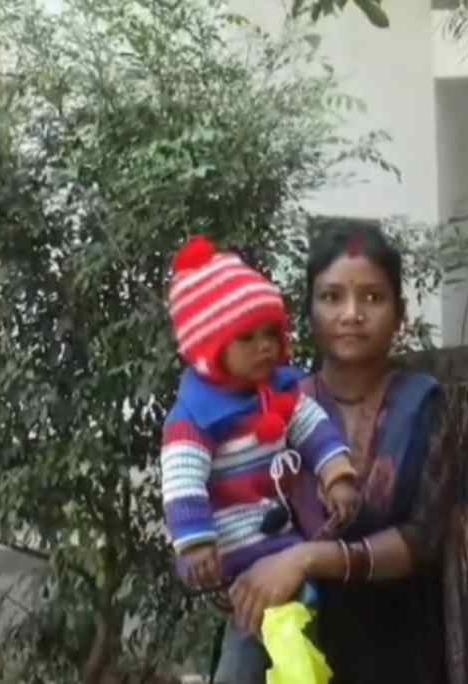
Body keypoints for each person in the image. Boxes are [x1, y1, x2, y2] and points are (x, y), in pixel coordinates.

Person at [225, 222, 468, 683]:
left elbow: (421, 539)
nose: (352, 314)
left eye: (373, 298)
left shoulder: (424, 404)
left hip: (400, 648)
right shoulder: (277, 409)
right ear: (309, 312)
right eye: (332, 297)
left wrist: (306, 558)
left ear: (399, 314)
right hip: (292, 644)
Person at [159, 236, 362, 683]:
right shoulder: (196, 415)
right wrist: (194, 542)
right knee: (251, 636)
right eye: (247, 338)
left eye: (272, 333)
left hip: (281, 544)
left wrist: (336, 473)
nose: (265, 346)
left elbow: (313, 427)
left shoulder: (279, 390)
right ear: (211, 348)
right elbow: (182, 480)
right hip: (232, 554)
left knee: (291, 632)